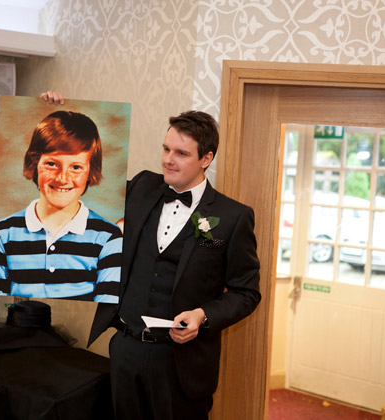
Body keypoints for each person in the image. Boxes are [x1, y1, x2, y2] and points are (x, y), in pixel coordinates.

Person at [42, 91, 261, 420]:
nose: (168, 160)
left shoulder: (232, 217)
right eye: (166, 149)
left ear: (206, 158)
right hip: (126, 348)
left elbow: (247, 292)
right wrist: (52, 112)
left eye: (182, 153)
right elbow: (79, 177)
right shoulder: (142, 186)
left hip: (181, 363)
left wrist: (204, 314)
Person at [0, 108, 122, 303]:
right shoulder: (2, 233)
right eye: (51, 164)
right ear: (34, 163)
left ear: (91, 171)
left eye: (76, 167)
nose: (62, 178)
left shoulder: (109, 238)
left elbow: (104, 308)